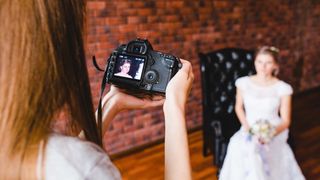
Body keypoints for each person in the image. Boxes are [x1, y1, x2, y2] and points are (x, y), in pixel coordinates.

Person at [0, 1, 193, 180]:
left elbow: (57, 156)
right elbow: (71, 163)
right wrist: (174, 107)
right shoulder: (81, 167)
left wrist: (112, 103)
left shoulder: (13, 142)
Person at [219, 46, 305, 180]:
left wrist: (269, 134)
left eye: (268, 62)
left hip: (274, 129)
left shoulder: (283, 88)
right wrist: (248, 129)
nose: (263, 66)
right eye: (259, 62)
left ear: (275, 65)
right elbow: (238, 108)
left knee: (264, 150)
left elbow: (286, 121)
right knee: (238, 145)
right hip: (249, 126)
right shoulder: (243, 83)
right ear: (254, 62)